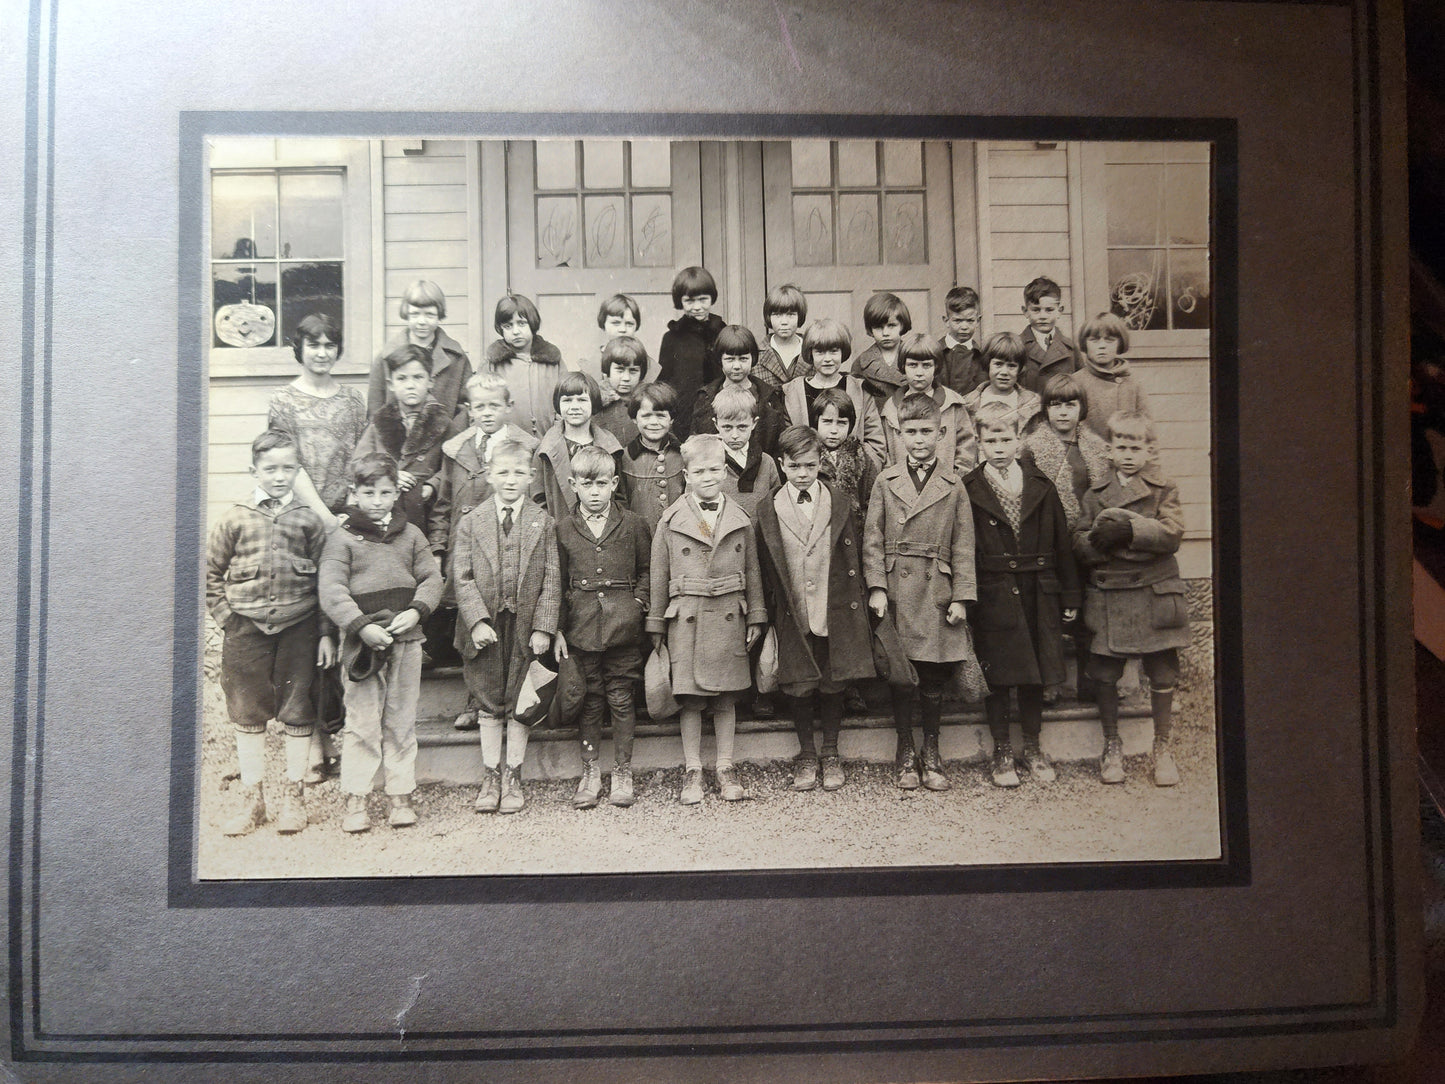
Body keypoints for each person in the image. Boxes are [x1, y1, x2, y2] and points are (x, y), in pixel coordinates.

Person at [206, 430, 333, 836]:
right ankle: (253, 800)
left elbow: (326, 582)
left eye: (288, 468)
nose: (279, 476)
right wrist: (228, 618)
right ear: (253, 470)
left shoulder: (308, 520)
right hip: (245, 629)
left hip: (300, 628)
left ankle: (294, 797)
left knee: (298, 711)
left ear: (298, 471)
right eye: (270, 468)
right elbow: (209, 573)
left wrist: (326, 633)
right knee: (247, 712)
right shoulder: (234, 517)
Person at [318, 452, 442, 832]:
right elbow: (332, 590)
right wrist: (358, 626)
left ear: (395, 494)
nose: (377, 500)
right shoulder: (342, 539)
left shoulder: (411, 535)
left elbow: (432, 579)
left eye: (385, 492)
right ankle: (356, 799)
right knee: (362, 722)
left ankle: (399, 795)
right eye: (368, 492)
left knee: (401, 720)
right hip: (364, 645)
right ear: (354, 494)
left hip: (407, 640)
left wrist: (418, 610)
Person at [863, 392, 979, 792]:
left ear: (941, 433)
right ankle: (905, 749)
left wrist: (962, 596)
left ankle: (932, 748)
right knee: (901, 675)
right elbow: (872, 539)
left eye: (926, 431)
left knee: (932, 675)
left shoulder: (953, 484)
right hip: (897, 588)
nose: (918, 440)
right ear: (898, 434)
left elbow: (964, 544)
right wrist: (876, 587)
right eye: (910, 432)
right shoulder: (885, 480)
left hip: (936, 590)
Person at [964, 402, 1081, 787]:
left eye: (1005, 438)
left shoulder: (1041, 486)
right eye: (990, 439)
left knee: (1035, 673)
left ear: (1019, 440)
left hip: (1038, 591)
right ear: (979, 443)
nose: (999, 446)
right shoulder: (969, 489)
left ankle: (1032, 745)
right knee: (997, 676)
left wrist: (1069, 596)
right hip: (992, 592)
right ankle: (1001, 751)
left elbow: (1062, 543)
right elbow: (962, 546)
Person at [754, 426, 875, 791]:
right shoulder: (768, 508)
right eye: (794, 467)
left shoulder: (838, 501)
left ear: (820, 462)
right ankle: (806, 754)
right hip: (792, 609)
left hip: (831, 605)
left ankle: (831, 752)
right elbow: (761, 565)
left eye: (809, 465)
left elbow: (852, 552)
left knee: (832, 681)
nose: (803, 474)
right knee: (798, 683)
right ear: (782, 465)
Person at [647, 434, 766, 804]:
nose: (708, 476)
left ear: (726, 471)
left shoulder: (740, 517)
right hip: (687, 616)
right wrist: (656, 624)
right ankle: (693, 769)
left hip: (730, 613)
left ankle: (726, 765)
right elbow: (658, 575)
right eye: (699, 471)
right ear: (686, 475)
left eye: (715, 469)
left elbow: (754, 570)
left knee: (726, 697)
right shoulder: (670, 520)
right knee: (691, 699)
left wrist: (756, 615)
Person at [1074, 411, 1191, 787]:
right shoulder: (1094, 494)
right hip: (1110, 593)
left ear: (1148, 449)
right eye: (1121, 446)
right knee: (1105, 673)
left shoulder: (1163, 487)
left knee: (1162, 671)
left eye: (1135, 446)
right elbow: (1079, 539)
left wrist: (1128, 531)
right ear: (1108, 450)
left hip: (1155, 592)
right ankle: (1112, 744)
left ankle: (1162, 747)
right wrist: (1099, 543)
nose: (1128, 453)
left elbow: (1172, 535)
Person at [451, 440, 562, 813]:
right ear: (488, 475)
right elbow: (462, 577)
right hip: (486, 626)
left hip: (525, 625)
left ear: (530, 477)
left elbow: (551, 579)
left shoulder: (542, 522)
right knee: (487, 697)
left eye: (518, 472)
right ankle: (490, 775)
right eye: (502, 472)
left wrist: (544, 627)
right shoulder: (471, 521)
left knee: (520, 698)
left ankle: (514, 775)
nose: (510, 480)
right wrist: (477, 621)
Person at [427, 373, 539, 728]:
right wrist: (438, 547)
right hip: (468, 547)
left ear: (508, 407)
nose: (487, 413)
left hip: (510, 545)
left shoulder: (526, 445)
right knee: (470, 622)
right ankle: (475, 699)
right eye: (479, 407)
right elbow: (444, 504)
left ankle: (508, 698)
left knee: (508, 623)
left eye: (494, 405)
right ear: (468, 410)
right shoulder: (456, 450)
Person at [554, 446, 652, 809]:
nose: (594, 492)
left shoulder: (635, 524)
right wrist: (559, 630)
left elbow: (647, 571)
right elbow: (557, 583)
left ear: (613, 483)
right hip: (581, 627)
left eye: (601, 483)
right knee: (590, 701)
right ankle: (590, 771)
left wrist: (638, 604)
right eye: (586, 483)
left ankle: (623, 772)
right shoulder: (563, 529)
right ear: (573, 484)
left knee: (621, 697)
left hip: (624, 627)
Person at [267, 312, 368, 528]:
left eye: (329, 346)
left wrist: (351, 512)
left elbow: (361, 459)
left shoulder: (353, 400)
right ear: (300, 349)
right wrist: (327, 519)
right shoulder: (283, 400)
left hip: (348, 516)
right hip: (299, 515)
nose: (322, 353)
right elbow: (288, 465)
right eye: (314, 345)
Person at [350, 344, 452, 530]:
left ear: (430, 381)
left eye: (418, 377)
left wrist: (433, 485)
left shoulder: (444, 423)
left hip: (428, 511)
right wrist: (391, 472)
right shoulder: (380, 422)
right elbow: (358, 463)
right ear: (391, 384)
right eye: (402, 379)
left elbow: (452, 466)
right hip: (386, 511)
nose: (410, 385)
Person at [779, 317, 886, 468]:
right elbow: (788, 443)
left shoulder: (859, 389)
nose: (827, 359)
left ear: (843, 352)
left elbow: (876, 443)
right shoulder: (793, 392)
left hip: (853, 477)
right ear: (811, 354)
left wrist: (856, 468)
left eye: (834, 351)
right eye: (820, 352)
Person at [366, 279, 472, 421]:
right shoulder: (386, 357)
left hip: (446, 439)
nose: (422, 321)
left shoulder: (456, 358)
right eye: (415, 314)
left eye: (429, 314)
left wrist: (453, 437)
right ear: (406, 314)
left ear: (439, 315)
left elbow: (467, 406)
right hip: (397, 440)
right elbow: (375, 409)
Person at [532, 371, 625, 520]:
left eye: (582, 400)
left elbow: (620, 495)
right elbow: (537, 499)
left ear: (593, 403)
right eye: (567, 400)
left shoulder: (610, 446)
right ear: (558, 404)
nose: (574, 407)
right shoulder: (546, 450)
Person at [880, 332, 977, 476]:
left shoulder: (952, 404)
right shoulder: (891, 409)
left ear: (936, 367)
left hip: (946, 487)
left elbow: (966, 447)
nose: (919, 372)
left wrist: (956, 478)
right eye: (913, 365)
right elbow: (885, 453)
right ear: (903, 366)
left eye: (926, 365)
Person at [481, 292, 570, 439]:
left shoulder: (553, 360)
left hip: (549, 442)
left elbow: (566, 396)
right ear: (500, 328)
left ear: (533, 323)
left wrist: (558, 431)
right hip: (508, 445)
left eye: (522, 324)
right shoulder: (492, 363)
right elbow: (483, 404)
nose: (516, 331)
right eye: (508, 326)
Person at [689, 324, 784, 453]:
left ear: (753, 359)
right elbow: (696, 442)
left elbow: (778, 445)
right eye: (730, 359)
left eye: (743, 359)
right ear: (720, 360)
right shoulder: (706, 397)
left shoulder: (768, 397)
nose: (737, 366)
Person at [657, 266, 725, 437]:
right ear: (680, 301)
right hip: (684, 415)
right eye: (690, 301)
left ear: (712, 298)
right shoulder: (672, 337)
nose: (697, 307)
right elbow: (665, 382)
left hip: (719, 413)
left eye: (703, 300)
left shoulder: (723, 332)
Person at [619, 381, 686, 535]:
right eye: (646, 416)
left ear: (672, 419)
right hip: (640, 540)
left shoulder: (684, 454)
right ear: (635, 419)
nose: (654, 422)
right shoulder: (624, 458)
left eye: (661, 416)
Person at [1073, 312, 1151, 439]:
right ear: (1085, 344)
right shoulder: (1076, 382)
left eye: (1110, 340)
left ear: (1120, 343)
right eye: (1094, 340)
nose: (1102, 346)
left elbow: (1148, 428)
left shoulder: (1133, 383)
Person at [713, 384, 781, 520]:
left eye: (742, 427)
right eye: (727, 427)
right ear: (716, 424)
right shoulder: (707, 461)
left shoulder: (766, 462)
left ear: (754, 423)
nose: (734, 435)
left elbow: (778, 504)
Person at [962, 332, 1043, 436]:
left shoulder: (1033, 403)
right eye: (998, 364)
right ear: (988, 364)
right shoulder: (968, 403)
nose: (1004, 372)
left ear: (1019, 369)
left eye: (1011, 366)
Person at [1019, 276, 1079, 394]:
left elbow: (1079, 385)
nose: (1043, 316)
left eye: (1049, 310)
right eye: (1036, 310)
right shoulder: (1017, 346)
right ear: (1025, 311)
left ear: (1059, 311)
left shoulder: (1070, 349)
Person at [849, 292, 910, 401]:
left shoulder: (916, 356)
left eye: (891, 325)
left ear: (902, 325)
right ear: (870, 329)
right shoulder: (861, 364)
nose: (885, 333)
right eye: (878, 327)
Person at [753, 282, 811, 390]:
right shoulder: (756, 355)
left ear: (800, 316)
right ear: (769, 317)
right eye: (777, 315)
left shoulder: (812, 352)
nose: (784, 322)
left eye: (791, 314)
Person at [593, 334, 647, 446]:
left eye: (633, 371)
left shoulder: (648, 401)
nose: (626, 378)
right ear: (607, 370)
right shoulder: (595, 402)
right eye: (620, 370)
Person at [938, 285, 985, 396]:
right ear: (946, 321)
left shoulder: (982, 356)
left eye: (970, 320)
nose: (964, 327)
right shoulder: (935, 352)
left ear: (978, 321)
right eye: (958, 321)